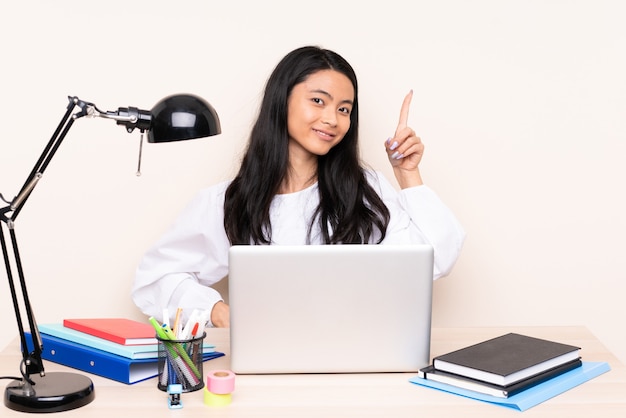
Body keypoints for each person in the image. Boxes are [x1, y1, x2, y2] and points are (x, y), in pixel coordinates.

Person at [132, 45, 465, 328]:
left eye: (344, 109)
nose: (333, 119)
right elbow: (154, 278)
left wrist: (408, 174)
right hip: (264, 371)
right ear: (282, 100)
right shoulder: (228, 201)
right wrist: (217, 312)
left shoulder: (366, 189)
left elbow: (435, 260)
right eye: (318, 101)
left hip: (356, 360)